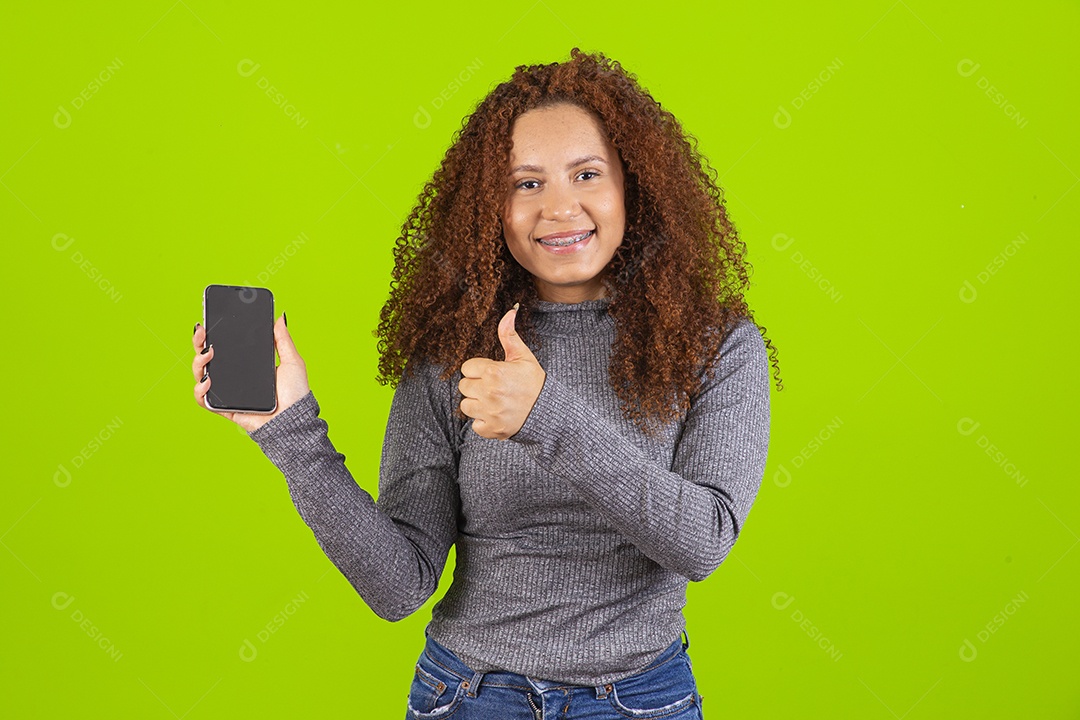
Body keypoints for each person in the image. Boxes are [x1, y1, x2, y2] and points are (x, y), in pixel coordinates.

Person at [191, 48, 780, 719]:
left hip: (639, 698)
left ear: (633, 185)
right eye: (526, 184)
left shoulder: (715, 345)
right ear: (489, 207)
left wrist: (546, 417)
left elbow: (702, 543)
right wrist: (290, 433)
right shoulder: (453, 349)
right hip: (468, 696)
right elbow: (399, 586)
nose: (559, 208)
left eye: (587, 174)